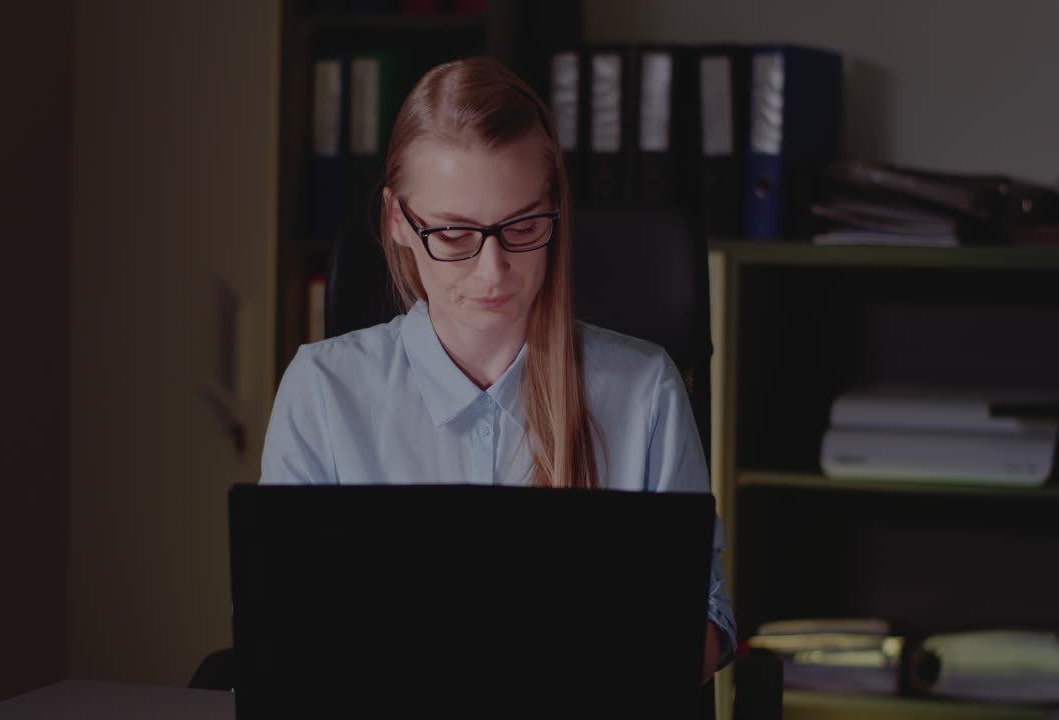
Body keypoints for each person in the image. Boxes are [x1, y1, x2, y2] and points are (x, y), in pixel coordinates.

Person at [260, 56, 736, 683]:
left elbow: (705, 628)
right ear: (399, 222)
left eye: (523, 226)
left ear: (555, 216)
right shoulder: (321, 391)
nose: (491, 271)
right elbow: (280, 630)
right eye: (454, 233)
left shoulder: (645, 390)